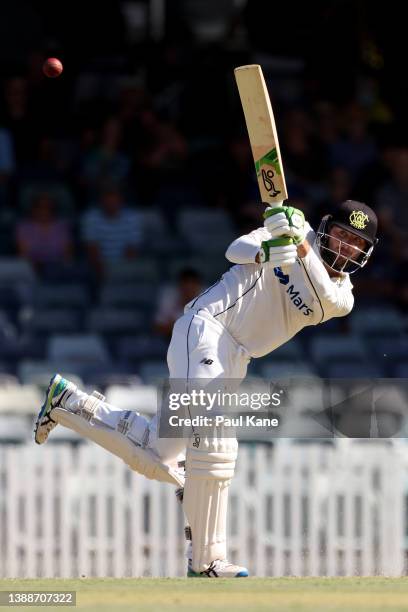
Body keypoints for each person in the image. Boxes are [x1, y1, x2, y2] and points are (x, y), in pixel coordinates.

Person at [34, 200, 378, 577]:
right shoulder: (291, 230)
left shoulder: (343, 297)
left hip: (237, 359)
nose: (346, 246)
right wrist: (266, 248)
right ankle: (206, 561)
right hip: (206, 328)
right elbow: (235, 250)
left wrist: (299, 246)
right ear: (328, 228)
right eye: (344, 235)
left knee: (157, 455)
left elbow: (322, 293)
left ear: (364, 253)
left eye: (356, 243)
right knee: (215, 436)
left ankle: (66, 401)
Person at [154, 268, 203, 339]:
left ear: (198, 286)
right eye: (186, 283)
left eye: (192, 284)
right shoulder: (169, 299)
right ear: (180, 285)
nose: (189, 288)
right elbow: (158, 327)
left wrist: (176, 325)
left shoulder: (208, 301)